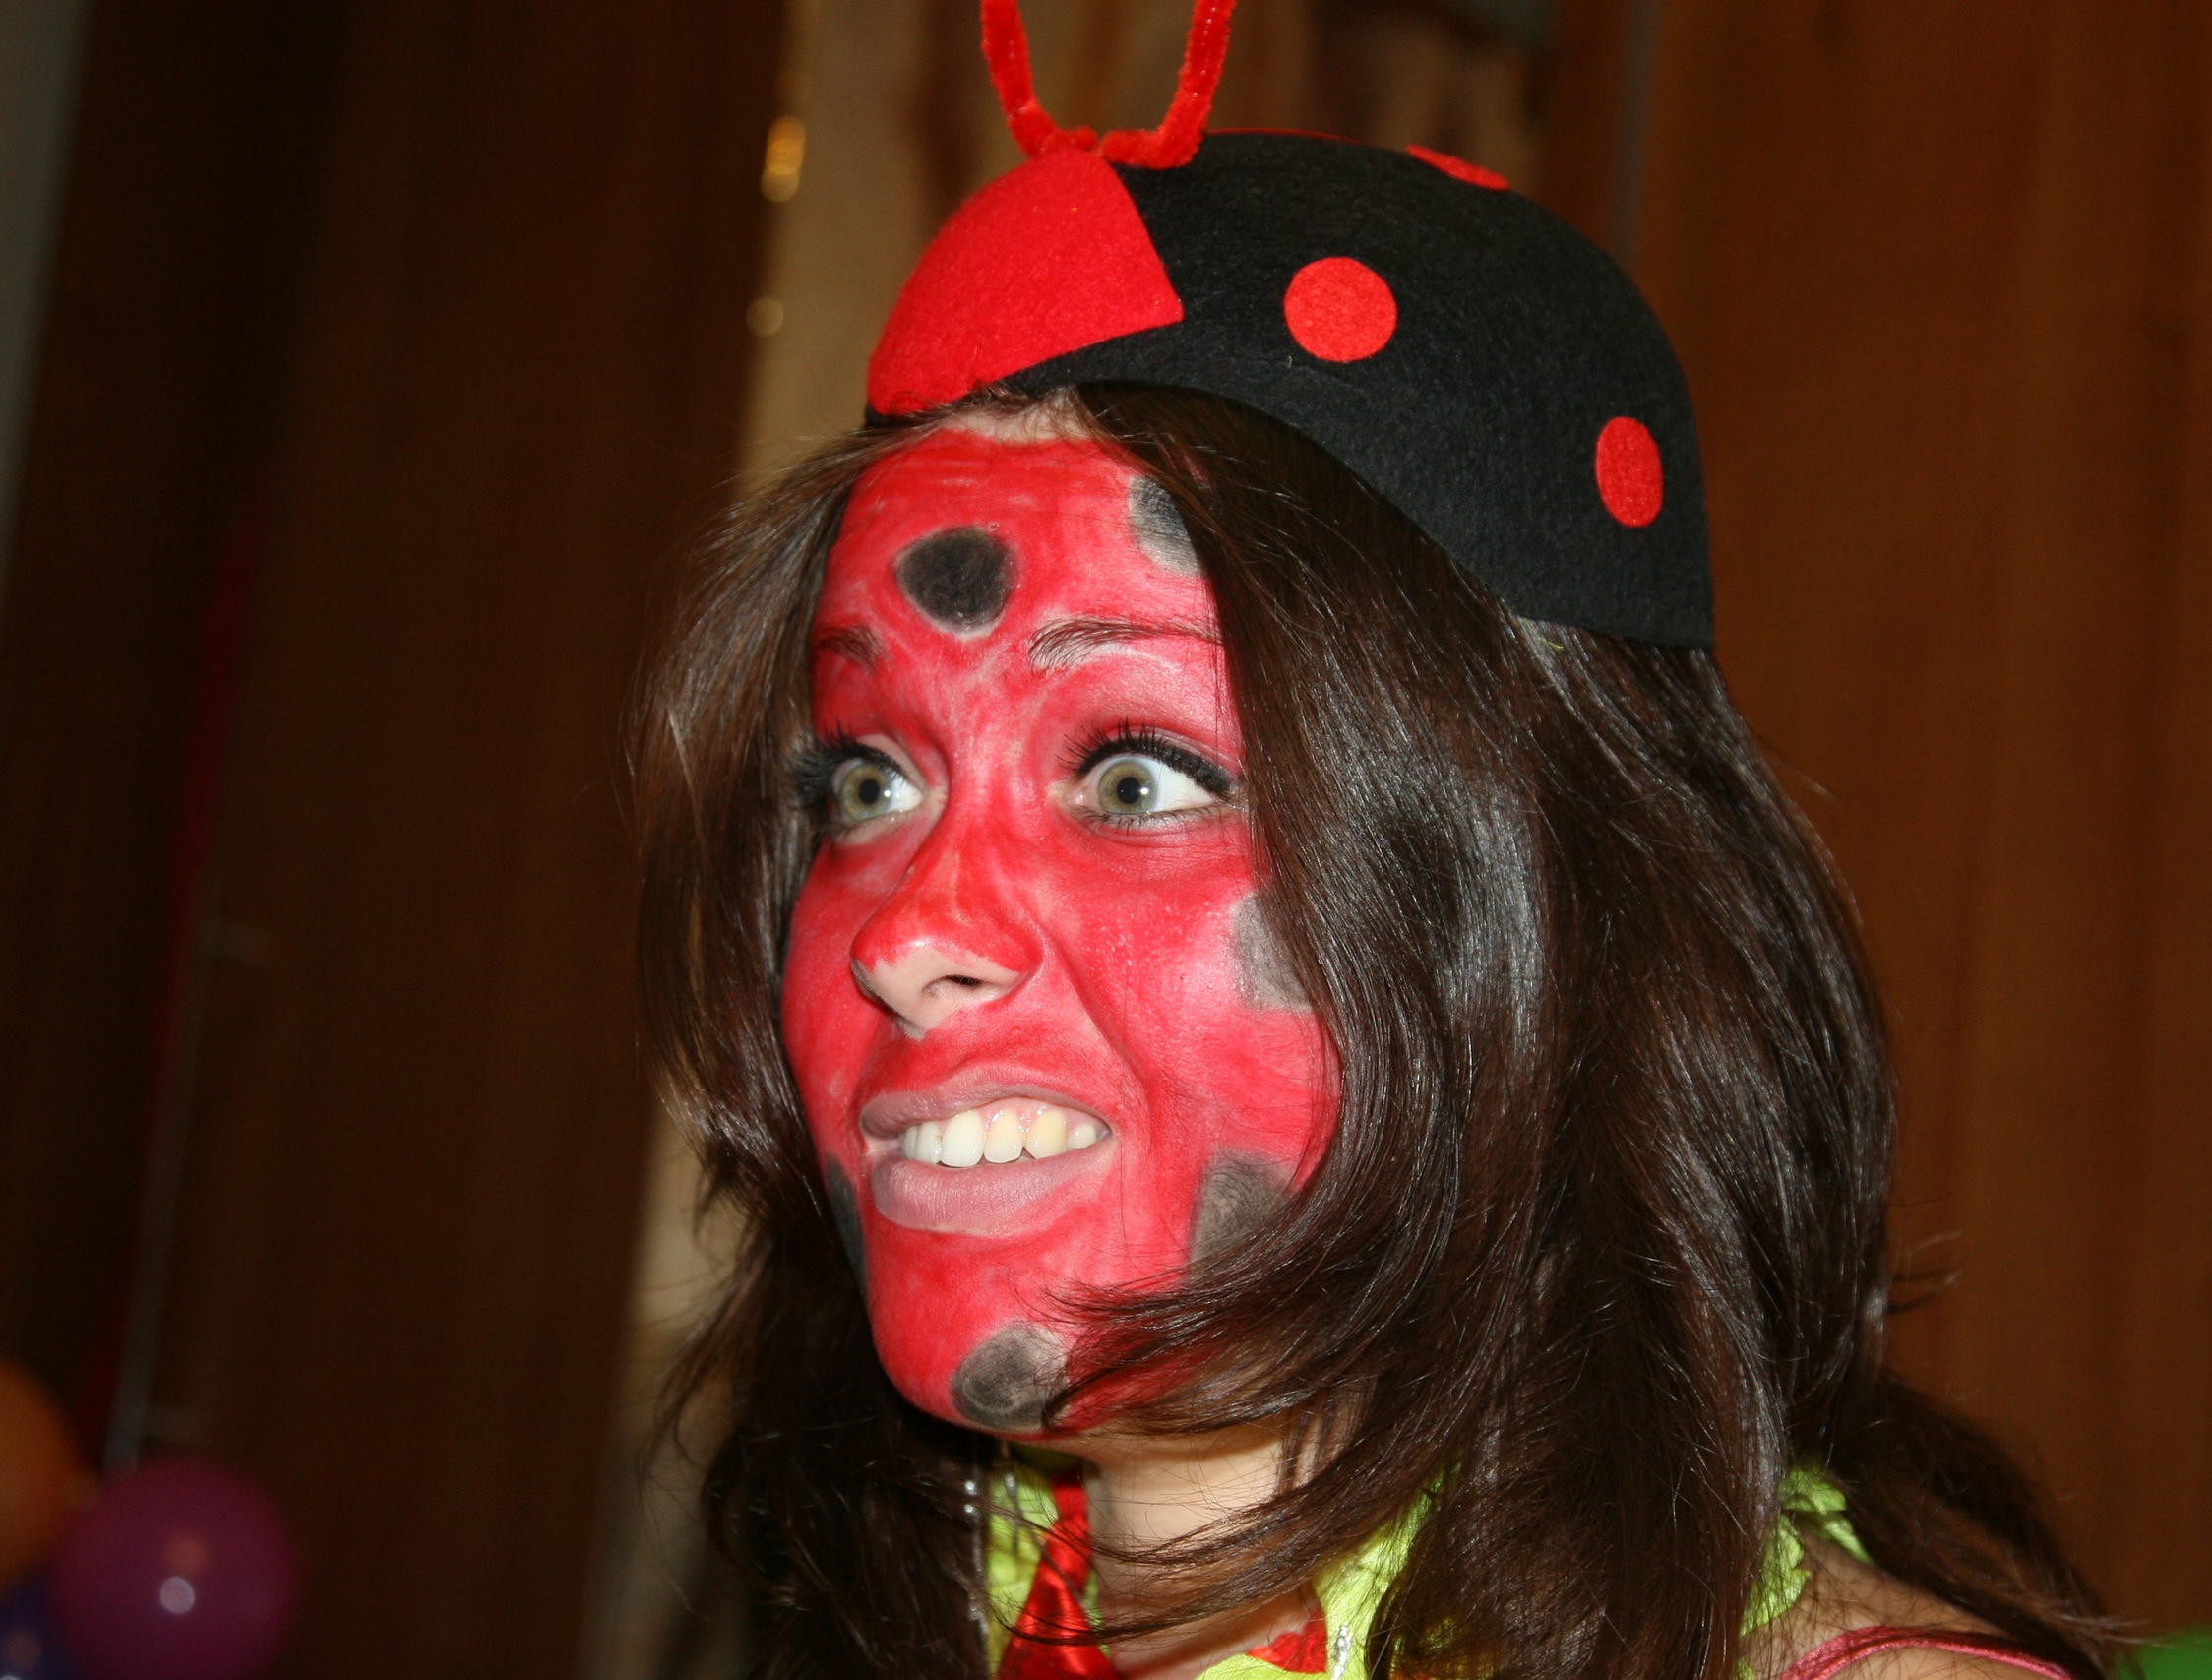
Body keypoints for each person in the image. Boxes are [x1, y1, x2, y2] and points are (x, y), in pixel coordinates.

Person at [633, 6, 2124, 1677]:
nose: (906, 933)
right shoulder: (947, 1595)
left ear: (1548, 909)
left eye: (1137, 778)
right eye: (867, 784)